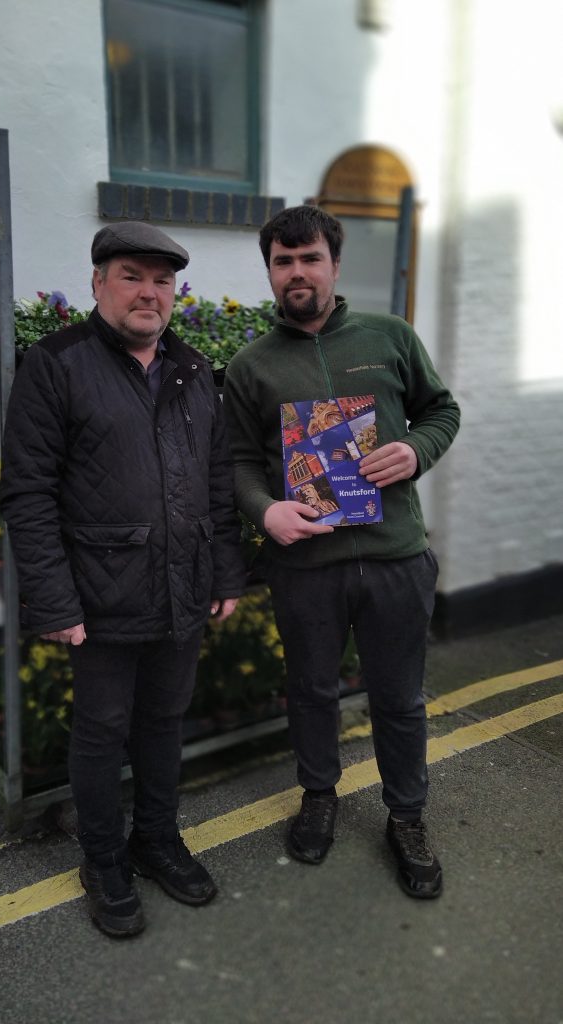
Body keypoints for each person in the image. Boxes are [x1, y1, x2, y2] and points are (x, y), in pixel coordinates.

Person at [0, 221, 245, 938]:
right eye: (133, 275)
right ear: (98, 282)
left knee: (164, 723)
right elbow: (28, 491)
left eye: (162, 281)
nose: (149, 292)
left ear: (176, 294)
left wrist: (225, 568)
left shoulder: (195, 369)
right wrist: (53, 599)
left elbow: (217, 481)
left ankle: (157, 839)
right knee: (103, 732)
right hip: (98, 598)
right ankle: (103, 858)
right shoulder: (55, 364)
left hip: (183, 589)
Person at [222, 205, 460, 899]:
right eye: (282, 261)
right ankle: (318, 794)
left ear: (333, 262)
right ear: (270, 270)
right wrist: (265, 510)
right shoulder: (250, 365)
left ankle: (406, 816)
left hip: (394, 556)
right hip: (304, 568)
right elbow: (237, 462)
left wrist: (414, 450)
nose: (296, 272)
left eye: (309, 258)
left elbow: (441, 411)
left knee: (398, 699)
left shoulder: (389, 337)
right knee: (311, 692)